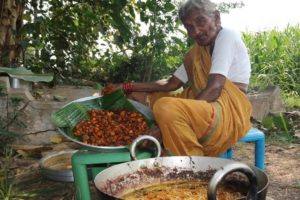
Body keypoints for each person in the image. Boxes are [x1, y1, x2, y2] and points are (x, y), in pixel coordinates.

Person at [103, 0, 252, 157]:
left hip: (226, 110)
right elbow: (171, 83)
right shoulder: (196, 52)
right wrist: (127, 87)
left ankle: (193, 165)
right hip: (203, 103)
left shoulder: (226, 36)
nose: (196, 32)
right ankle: (167, 138)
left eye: (201, 21)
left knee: (166, 107)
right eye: (189, 27)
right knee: (140, 97)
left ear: (216, 18)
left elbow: (214, 88)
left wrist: (163, 127)